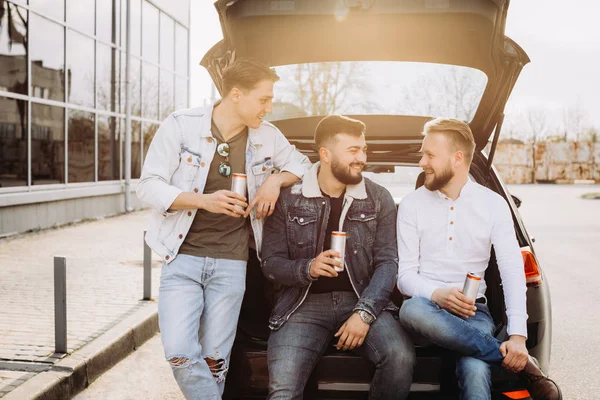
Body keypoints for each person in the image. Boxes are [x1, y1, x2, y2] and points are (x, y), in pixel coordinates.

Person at [136, 58, 311, 399]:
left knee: (216, 362)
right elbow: (147, 186)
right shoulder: (181, 126)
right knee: (181, 353)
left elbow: (303, 166)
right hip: (182, 258)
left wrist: (275, 179)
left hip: (232, 264)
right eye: (263, 99)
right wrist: (204, 201)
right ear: (235, 95)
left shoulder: (268, 137)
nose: (269, 108)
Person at [396, 117, 561, 399]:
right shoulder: (412, 205)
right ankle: (523, 369)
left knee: (475, 368)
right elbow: (405, 277)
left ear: (457, 158)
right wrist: (438, 295)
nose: (422, 162)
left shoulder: (493, 204)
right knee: (410, 310)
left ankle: (497, 354)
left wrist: (518, 336)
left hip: (474, 312)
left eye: (429, 155)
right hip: (425, 311)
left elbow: (511, 271)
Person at [261, 114, 415, 400]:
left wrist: (364, 314)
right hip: (301, 304)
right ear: (326, 154)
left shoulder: (378, 197)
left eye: (364, 149)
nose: (362, 158)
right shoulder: (288, 198)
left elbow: (387, 262)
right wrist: (309, 268)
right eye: (353, 150)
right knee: (282, 392)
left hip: (361, 297)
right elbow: (270, 263)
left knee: (400, 357)